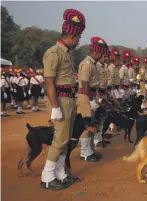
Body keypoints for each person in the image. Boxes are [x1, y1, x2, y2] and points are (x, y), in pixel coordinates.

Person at [40, 8, 86, 190]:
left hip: (68, 99)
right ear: (72, 36)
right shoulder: (54, 53)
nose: (78, 41)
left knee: (65, 139)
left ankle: (60, 173)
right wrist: (54, 107)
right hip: (59, 99)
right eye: (78, 37)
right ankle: (47, 176)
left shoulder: (66, 52)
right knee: (59, 140)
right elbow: (49, 82)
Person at [77, 36, 108, 162]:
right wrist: (90, 100)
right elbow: (85, 84)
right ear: (98, 51)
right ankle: (84, 151)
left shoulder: (93, 64)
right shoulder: (87, 64)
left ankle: (89, 149)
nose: (102, 56)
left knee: (92, 123)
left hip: (91, 95)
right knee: (87, 123)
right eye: (102, 53)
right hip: (86, 96)